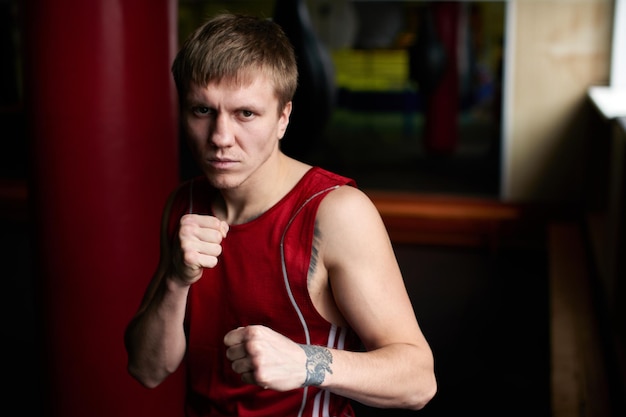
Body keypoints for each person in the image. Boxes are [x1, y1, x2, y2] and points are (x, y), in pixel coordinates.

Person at [124, 13, 437, 417]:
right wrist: (175, 280)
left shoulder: (335, 213)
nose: (220, 137)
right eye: (202, 110)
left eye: (245, 114)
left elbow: (418, 380)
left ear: (283, 117)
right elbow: (147, 369)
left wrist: (307, 363)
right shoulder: (183, 206)